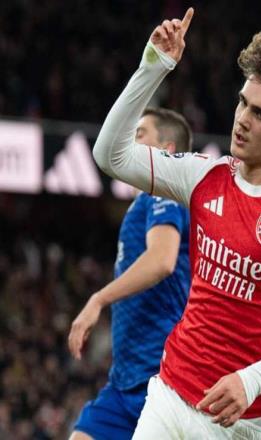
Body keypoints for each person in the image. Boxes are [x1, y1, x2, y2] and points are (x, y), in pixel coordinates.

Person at [92, 7, 261, 439]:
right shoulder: (204, 177)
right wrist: (154, 67)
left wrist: (251, 380)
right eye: (243, 103)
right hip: (169, 395)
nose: (242, 119)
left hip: (239, 423)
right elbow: (109, 155)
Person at [67, 107, 192, 440]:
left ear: (165, 150)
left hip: (161, 378)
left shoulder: (164, 190)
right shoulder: (143, 203)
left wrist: (98, 299)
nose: (129, 140)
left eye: (139, 134)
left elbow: (162, 259)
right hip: (124, 381)